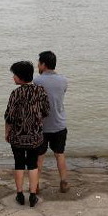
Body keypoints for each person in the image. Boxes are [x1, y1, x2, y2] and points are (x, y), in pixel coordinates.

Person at [4, 61, 49, 207]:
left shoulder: (15, 93)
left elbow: (9, 117)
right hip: (35, 136)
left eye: (14, 75)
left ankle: (19, 194)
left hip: (17, 136)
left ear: (20, 77)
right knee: (32, 164)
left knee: (18, 164)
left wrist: (7, 133)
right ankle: (33, 195)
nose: (13, 78)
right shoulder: (40, 90)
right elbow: (46, 111)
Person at [34, 51, 70, 193]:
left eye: (39, 62)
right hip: (59, 124)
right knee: (59, 154)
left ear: (43, 64)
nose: (38, 65)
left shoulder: (37, 81)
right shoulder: (63, 80)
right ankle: (64, 182)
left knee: (39, 158)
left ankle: (35, 185)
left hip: (42, 126)